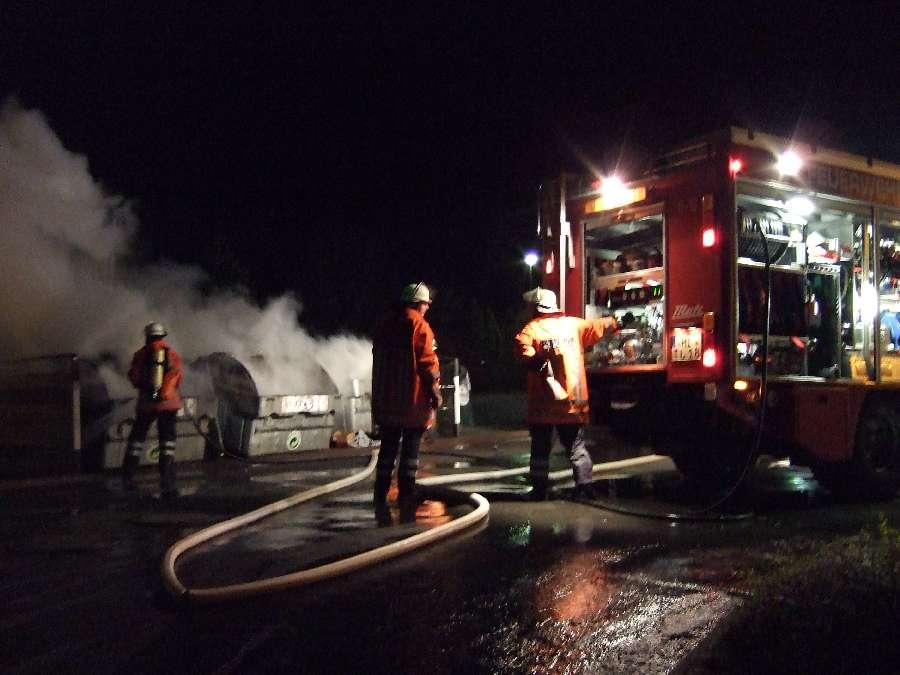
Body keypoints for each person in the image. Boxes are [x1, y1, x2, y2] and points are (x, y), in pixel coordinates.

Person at [514, 287, 618, 500]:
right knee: (576, 447)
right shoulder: (573, 325)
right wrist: (616, 321)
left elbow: (523, 352)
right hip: (572, 403)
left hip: (544, 405)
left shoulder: (531, 330)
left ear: (536, 308)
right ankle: (585, 487)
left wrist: (538, 359)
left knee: (540, 450)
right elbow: (601, 325)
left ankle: (539, 490)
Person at [371, 282, 442, 524]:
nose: (427, 308)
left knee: (387, 451)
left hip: (386, 401)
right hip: (412, 401)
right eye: (426, 304)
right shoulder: (419, 325)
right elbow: (427, 363)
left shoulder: (384, 325)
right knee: (410, 453)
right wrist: (435, 392)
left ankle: (379, 493)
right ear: (418, 303)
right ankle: (406, 494)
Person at [122, 322, 184, 498]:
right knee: (167, 442)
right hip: (169, 404)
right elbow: (178, 377)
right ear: (163, 336)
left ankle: (129, 475)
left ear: (148, 336)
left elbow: (134, 378)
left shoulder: (141, 354)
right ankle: (167, 478)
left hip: (147, 404)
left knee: (137, 438)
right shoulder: (173, 355)